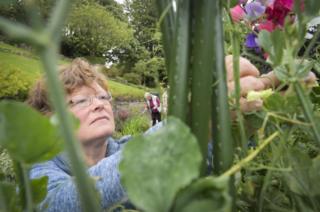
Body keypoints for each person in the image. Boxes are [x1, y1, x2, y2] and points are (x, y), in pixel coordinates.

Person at [27, 57, 315, 211]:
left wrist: (247, 120)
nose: (100, 105)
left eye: (104, 98)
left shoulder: (125, 148)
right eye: (83, 100)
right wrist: (195, 119)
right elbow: (68, 203)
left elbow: (199, 167)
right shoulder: (39, 173)